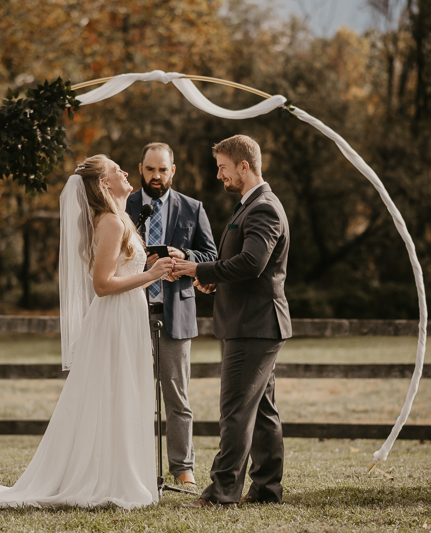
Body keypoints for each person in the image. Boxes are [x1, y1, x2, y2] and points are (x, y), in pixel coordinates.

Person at [0, 155, 175, 510]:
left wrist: (154, 267)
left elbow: (120, 270)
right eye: (116, 169)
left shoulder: (118, 220)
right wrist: (152, 275)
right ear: (104, 184)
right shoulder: (110, 223)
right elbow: (103, 284)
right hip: (114, 320)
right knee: (112, 392)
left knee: (123, 392)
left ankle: (122, 472)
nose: (124, 171)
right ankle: (105, 478)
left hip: (127, 317)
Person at [173, 134, 292, 508]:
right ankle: (267, 489)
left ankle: (222, 492)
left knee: (236, 410)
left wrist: (197, 266)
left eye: (224, 168)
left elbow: (253, 263)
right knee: (262, 411)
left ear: (244, 166)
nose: (220, 176)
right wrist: (212, 280)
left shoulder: (264, 208)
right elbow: (242, 266)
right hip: (251, 321)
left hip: (253, 325)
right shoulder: (251, 205)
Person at [126, 142, 218, 490]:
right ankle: (135, 466)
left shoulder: (193, 208)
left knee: (177, 396)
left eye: (162, 170)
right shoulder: (125, 205)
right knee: (134, 393)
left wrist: (185, 255)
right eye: (150, 170)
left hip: (176, 313)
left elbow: (210, 254)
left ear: (172, 171)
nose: (156, 176)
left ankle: (183, 469)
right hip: (133, 313)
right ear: (141, 169)